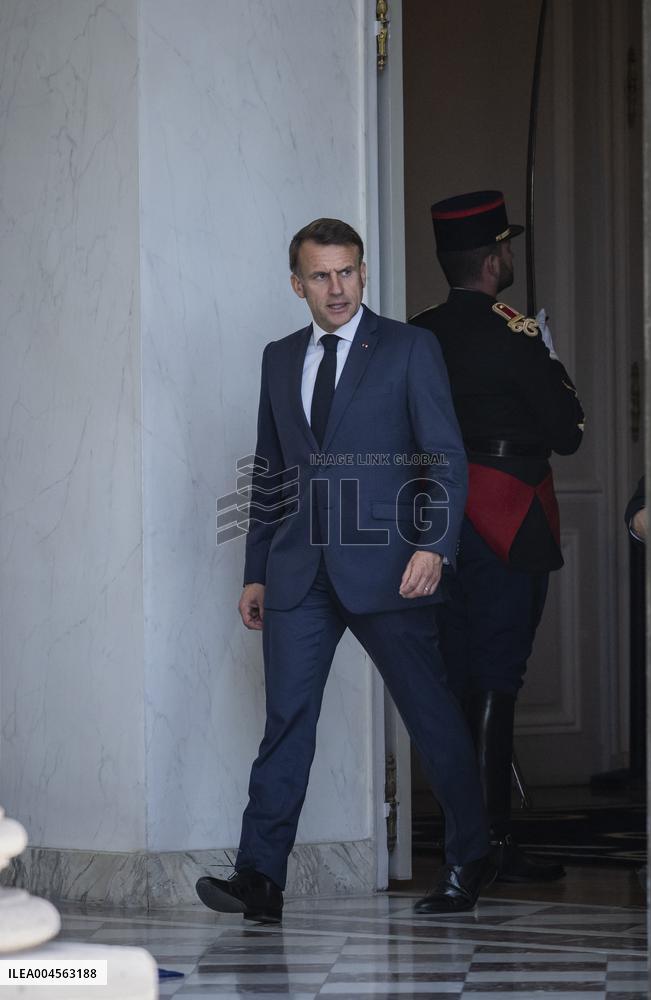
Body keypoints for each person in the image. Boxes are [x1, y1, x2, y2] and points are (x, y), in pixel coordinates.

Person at [196, 217, 495, 922]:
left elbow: (445, 457)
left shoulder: (409, 348)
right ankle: (260, 879)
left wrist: (434, 544)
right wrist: (256, 570)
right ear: (297, 284)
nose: (338, 288)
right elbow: (269, 471)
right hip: (299, 572)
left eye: (348, 272)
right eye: (322, 276)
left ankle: (469, 856)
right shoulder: (277, 358)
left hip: (393, 567)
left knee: (429, 714)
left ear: (363, 273)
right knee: (286, 721)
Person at [411, 191, 585, 883]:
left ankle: (469, 844)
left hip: (437, 521)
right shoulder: (515, 331)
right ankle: (491, 849)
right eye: (506, 245)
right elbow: (567, 433)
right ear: (494, 258)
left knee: (456, 680)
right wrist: (549, 354)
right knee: (496, 681)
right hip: (509, 515)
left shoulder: (418, 331)